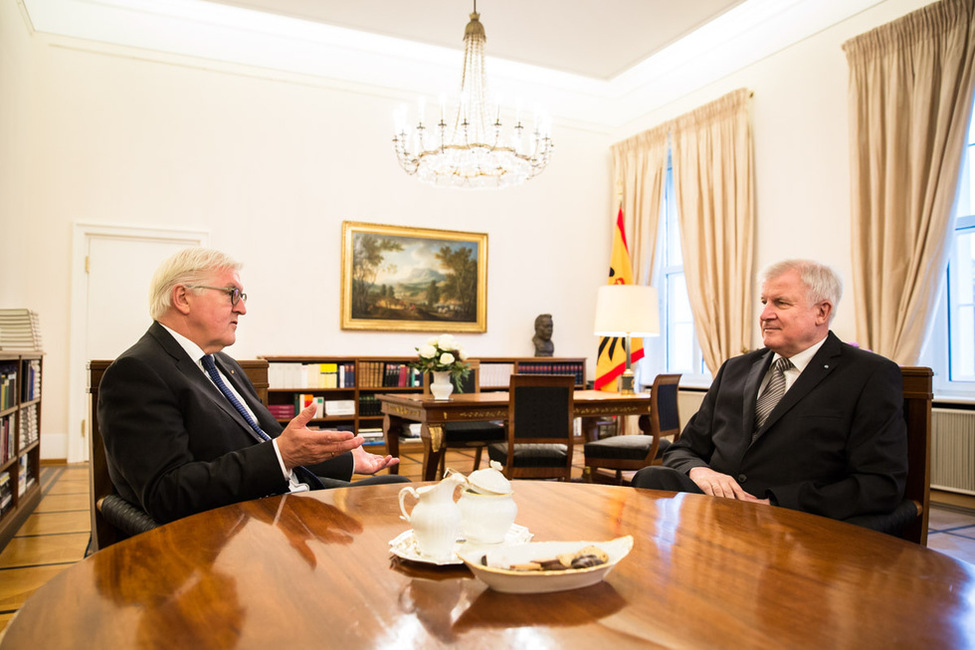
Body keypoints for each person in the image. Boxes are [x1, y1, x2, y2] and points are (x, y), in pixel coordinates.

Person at [98, 248, 407, 525]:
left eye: (241, 297)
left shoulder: (222, 363)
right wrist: (282, 457)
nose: (241, 309)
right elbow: (168, 494)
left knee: (399, 489)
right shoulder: (138, 373)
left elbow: (271, 438)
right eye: (232, 294)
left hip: (282, 497)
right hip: (237, 523)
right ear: (183, 298)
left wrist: (349, 458)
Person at [632, 259, 907, 523]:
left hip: (792, 521)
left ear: (821, 312)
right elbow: (684, 449)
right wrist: (700, 471)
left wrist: (774, 504)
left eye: (781, 303)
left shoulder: (869, 375)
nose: (764, 314)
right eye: (764, 302)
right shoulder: (734, 369)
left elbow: (880, 483)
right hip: (714, 510)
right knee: (651, 478)